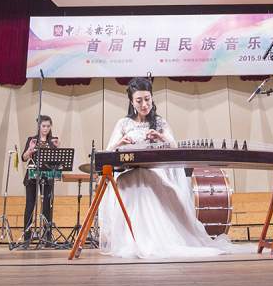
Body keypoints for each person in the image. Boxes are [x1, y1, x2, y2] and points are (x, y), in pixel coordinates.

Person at [97, 76, 256, 258]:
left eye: (147, 99)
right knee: (129, 179)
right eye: (139, 101)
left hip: (154, 172)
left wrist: (160, 136)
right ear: (132, 102)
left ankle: (156, 239)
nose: (144, 105)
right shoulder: (124, 123)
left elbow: (175, 148)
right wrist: (120, 142)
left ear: (152, 98)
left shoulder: (160, 123)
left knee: (144, 176)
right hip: (129, 172)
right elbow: (107, 152)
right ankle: (135, 239)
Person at [21, 115, 60, 236]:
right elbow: (24, 158)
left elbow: (59, 160)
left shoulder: (53, 141)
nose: (46, 129)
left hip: (47, 176)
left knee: (47, 206)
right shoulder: (32, 139)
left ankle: (47, 237)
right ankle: (27, 236)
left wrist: (58, 147)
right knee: (30, 205)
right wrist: (30, 149)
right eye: (43, 126)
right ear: (39, 126)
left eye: (48, 126)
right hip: (32, 176)